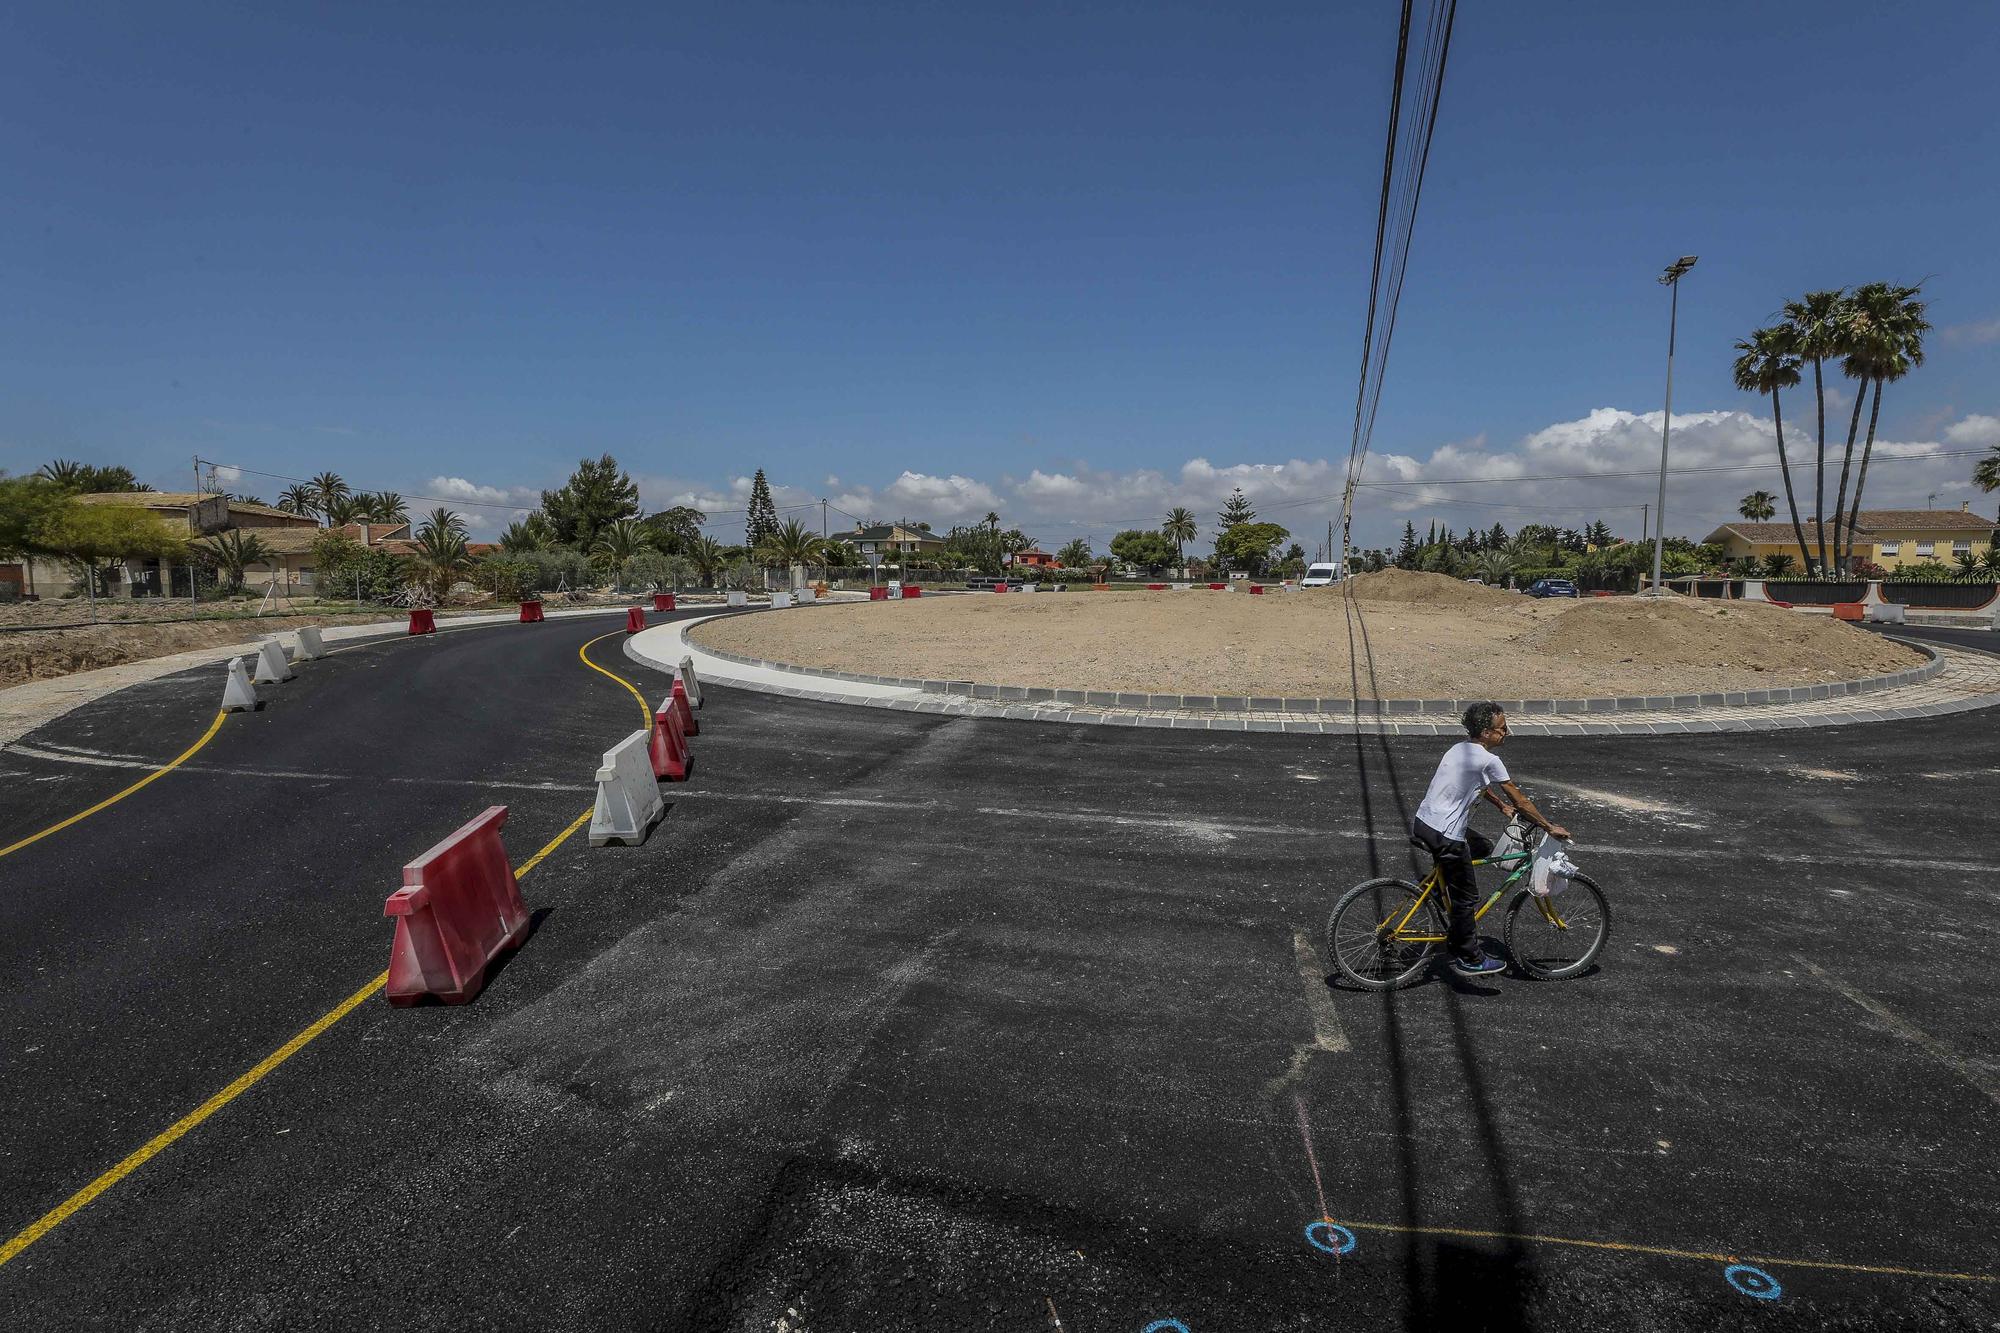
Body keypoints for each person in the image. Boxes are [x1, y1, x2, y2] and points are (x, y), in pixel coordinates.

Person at [1411, 701, 1571, 977]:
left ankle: (1437, 892)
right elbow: (1520, 800)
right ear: (1486, 732)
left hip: (1424, 823)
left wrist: (1499, 806)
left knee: (1483, 847)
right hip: (1447, 834)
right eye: (1501, 728)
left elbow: (1480, 785)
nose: (1506, 732)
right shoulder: (1490, 760)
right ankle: (1469, 957)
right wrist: (1547, 826)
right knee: (1467, 896)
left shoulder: (1459, 749)